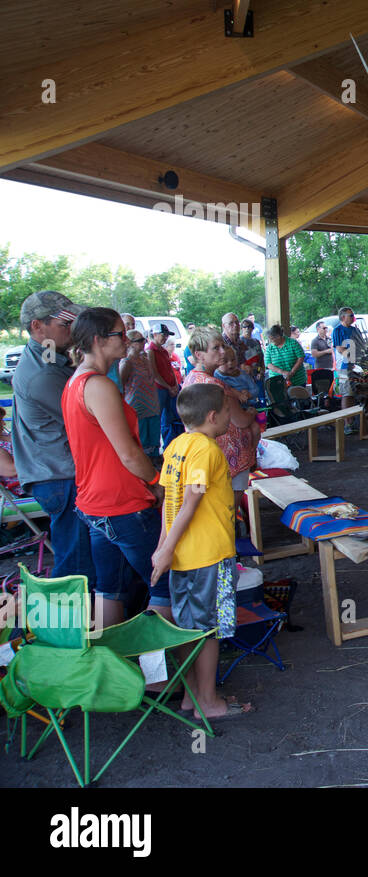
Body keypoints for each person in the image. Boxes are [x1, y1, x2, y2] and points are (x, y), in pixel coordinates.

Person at [63, 308, 171, 627]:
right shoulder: (97, 385)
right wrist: (156, 482)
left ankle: (112, 668)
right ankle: (158, 676)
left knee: (110, 589)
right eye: (118, 334)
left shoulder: (76, 382)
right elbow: (128, 454)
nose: (126, 339)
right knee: (164, 584)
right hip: (122, 503)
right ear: (98, 340)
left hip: (97, 503)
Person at [151, 383, 251, 720]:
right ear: (212, 416)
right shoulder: (207, 450)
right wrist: (164, 550)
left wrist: (164, 546)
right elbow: (191, 500)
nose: (229, 418)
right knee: (208, 630)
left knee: (187, 626)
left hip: (183, 556)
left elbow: (168, 502)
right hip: (210, 556)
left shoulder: (175, 446)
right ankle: (207, 701)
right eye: (226, 412)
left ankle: (191, 695)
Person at [10, 291, 93, 580]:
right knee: (77, 562)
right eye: (64, 324)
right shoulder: (41, 375)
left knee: (82, 554)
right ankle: (74, 620)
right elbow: (89, 418)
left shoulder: (48, 352)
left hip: (58, 473)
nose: (72, 330)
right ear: (37, 326)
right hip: (60, 477)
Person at [184, 327, 261, 493]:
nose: (223, 352)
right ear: (199, 355)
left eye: (222, 346)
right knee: (228, 512)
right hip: (228, 458)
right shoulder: (214, 385)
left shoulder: (191, 378)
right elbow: (240, 421)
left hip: (208, 455)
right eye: (215, 348)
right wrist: (251, 413)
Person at [119, 329, 162, 458]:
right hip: (137, 408)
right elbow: (121, 386)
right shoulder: (126, 362)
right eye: (139, 340)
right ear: (130, 343)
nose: (143, 342)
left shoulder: (146, 358)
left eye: (144, 339)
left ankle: (155, 465)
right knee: (142, 440)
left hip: (152, 405)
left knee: (154, 439)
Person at [146, 324, 183, 447]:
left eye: (167, 335)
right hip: (161, 389)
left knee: (173, 417)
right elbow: (155, 374)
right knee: (163, 419)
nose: (166, 338)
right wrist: (168, 387)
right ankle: (165, 446)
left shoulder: (163, 350)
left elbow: (170, 369)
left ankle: (174, 443)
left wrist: (175, 385)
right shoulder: (151, 351)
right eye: (163, 335)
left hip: (171, 388)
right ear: (155, 335)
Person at [331, 307, 362, 428]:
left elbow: (362, 345)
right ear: (343, 317)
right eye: (351, 315)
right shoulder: (337, 330)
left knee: (357, 393)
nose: (353, 317)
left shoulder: (355, 330)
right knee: (347, 394)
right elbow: (339, 348)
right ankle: (347, 423)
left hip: (357, 366)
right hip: (344, 366)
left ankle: (355, 421)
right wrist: (352, 359)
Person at [262, 324, 307, 389]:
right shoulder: (270, 348)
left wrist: (291, 372)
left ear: (279, 336)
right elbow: (268, 364)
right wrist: (282, 372)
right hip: (277, 381)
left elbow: (301, 358)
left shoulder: (293, 343)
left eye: (272, 339)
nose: (271, 341)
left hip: (297, 380)